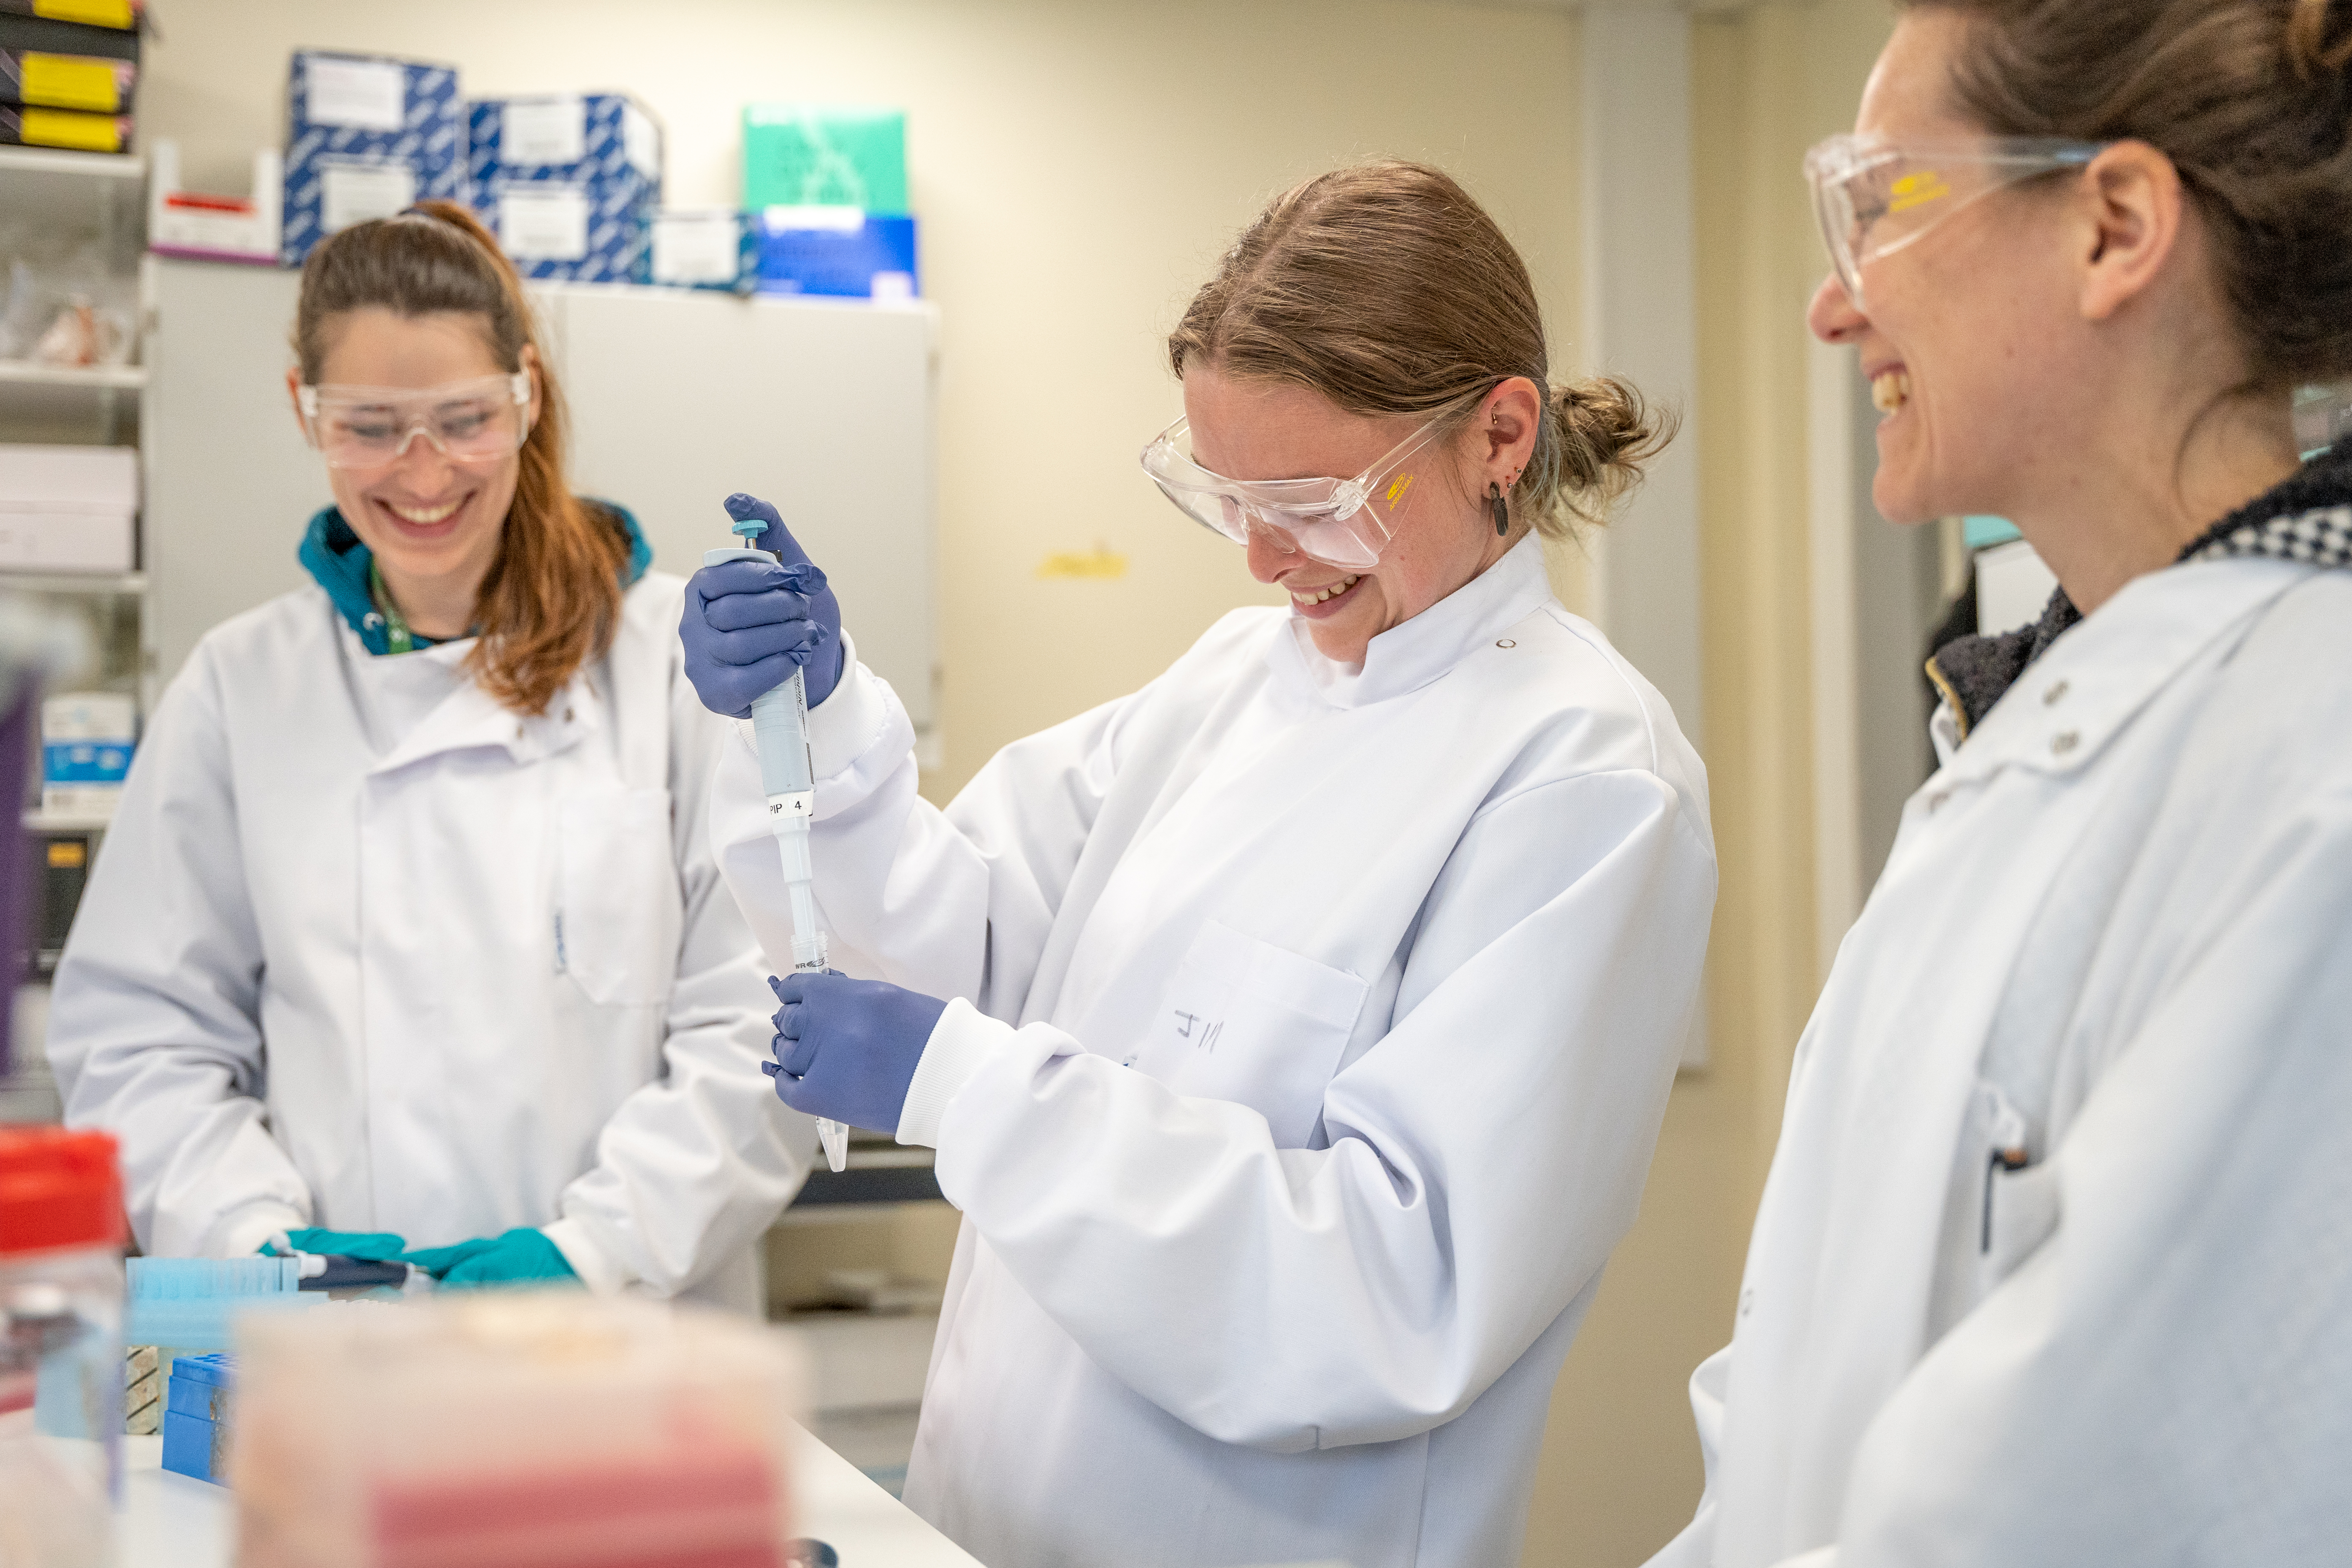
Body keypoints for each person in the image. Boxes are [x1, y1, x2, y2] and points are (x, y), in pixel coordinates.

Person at [684, 162, 1718, 1568]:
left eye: (1309, 495)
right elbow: (963, 945)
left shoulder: (1583, 779)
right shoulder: (1238, 679)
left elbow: (1388, 1293)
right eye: (1226, 494)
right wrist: (817, 728)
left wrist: (967, 1084)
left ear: (1500, 434)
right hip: (990, 1513)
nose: (1260, 558)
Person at [1653, 3, 2352, 1563]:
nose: (1832, 310)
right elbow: (1785, 1430)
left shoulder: (2314, 782)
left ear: (2112, 228)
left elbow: (2088, 1509)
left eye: (1880, 206)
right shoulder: (2037, 723)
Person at [48, 203, 812, 1310]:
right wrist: (247, 1237)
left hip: (627, 1341)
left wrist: (595, 1248)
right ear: (302, 411)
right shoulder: (240, 684)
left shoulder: (665, 661)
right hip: (324, 1339)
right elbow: (142, 1030)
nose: (420, 472)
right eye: (368, 424)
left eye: (462, 420)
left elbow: (759, 1012)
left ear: (527, 397)